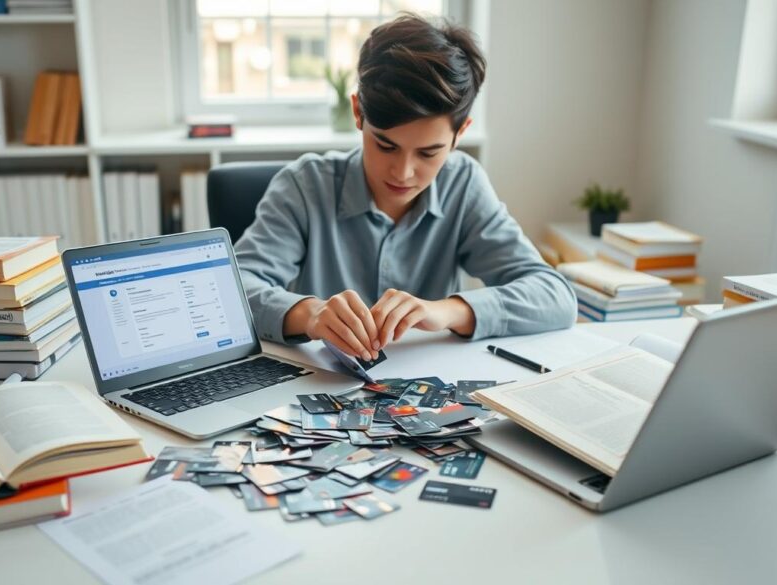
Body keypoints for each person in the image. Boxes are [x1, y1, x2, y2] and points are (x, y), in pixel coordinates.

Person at [234, 13, 576, 362]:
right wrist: (310, 315)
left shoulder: (464, 184)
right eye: (385, 146)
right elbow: (234, 289)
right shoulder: (304, 185)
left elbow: (555, 297)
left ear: (460, 134)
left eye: (429, 152)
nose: (403, 172)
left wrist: (447, 311)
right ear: (357, 112)